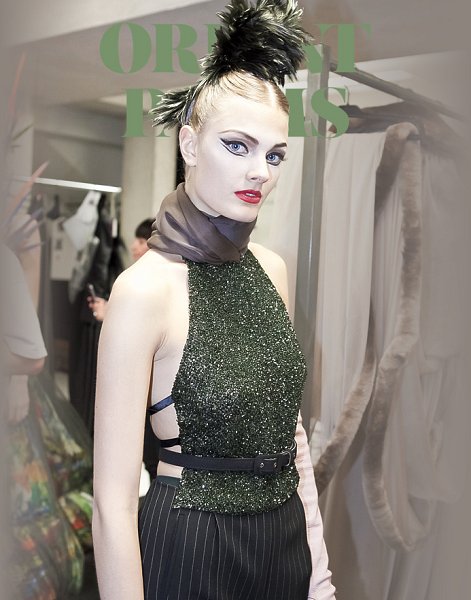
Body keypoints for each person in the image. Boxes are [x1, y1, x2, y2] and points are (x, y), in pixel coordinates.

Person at [92, 1, 336, 599]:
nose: (260, 172)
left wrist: (319, 574)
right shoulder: (144, 290)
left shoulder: (272, 270)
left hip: (283, 545)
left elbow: (290, 438)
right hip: (193, 548)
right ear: (190, 144)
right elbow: (112, 504)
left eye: (274, 154)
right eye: (237, 145)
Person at [87, 218, 154, 321]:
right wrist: (108, 307)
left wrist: (107, 316)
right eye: (135, 240)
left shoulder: (150, 281)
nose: (133, 247)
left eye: (141, 242)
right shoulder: (139, 275)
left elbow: (136, 322)